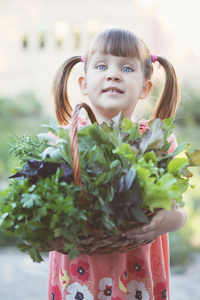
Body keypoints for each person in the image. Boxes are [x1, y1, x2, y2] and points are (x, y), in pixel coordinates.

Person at [48, 28, 187, 300]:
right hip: (79, 278)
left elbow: (178, 212)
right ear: (84, 84)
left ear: (145, 88)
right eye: (102, 66)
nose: (113, 74)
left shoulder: (156, 140)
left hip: (137, 277)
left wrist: (168, 220)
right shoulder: (66, 142)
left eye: (126, 67)